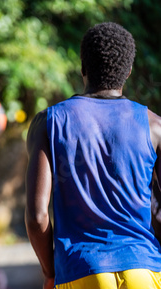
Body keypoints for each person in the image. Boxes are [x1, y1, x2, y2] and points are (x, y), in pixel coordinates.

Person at [25, 22, 161, 289]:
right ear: (129, 72)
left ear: (83, 68)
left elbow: (37, 216)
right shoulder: (155, 126)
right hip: (145, 269)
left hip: (82, 269)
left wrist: (50, 272)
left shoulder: (49, 122)